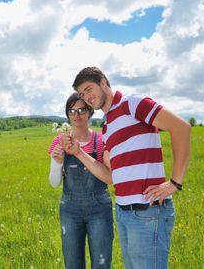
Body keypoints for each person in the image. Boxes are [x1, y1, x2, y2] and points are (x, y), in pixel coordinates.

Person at [64, 66, 191, 269]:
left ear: (103, 83)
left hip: (147, 212)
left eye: (89, 89)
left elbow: (181, 127)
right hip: (123, 213)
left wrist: (175, 182)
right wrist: (79, 153)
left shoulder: (132, 103)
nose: (86, 97)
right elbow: (110, 176)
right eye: (81, 93)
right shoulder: (108, 125)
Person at [48, 92, 114, 269]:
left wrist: (79, 153)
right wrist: (57, 163)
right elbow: (54, 183)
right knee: (73, 264)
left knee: (101, 262)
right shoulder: (59, 141)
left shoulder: (101, 140)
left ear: (90, 111)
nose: (76, 114)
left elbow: (109, 177)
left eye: (82, 109)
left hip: (100, 208)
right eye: (72, 110)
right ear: (68, 114)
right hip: (70, 209)